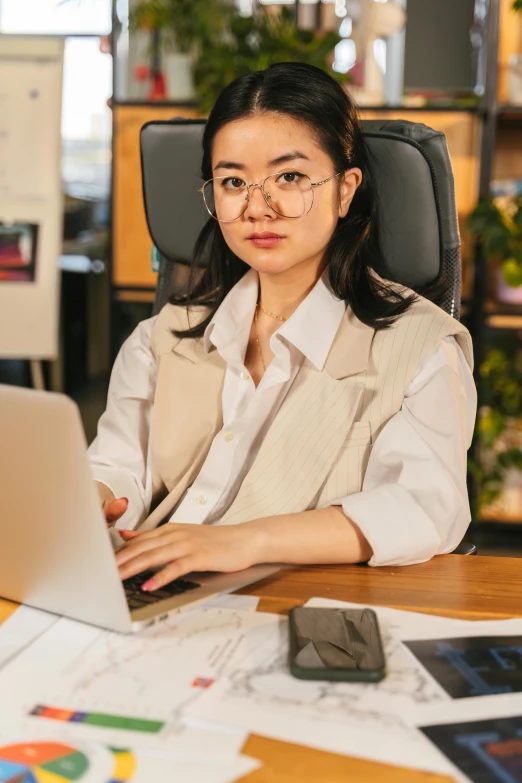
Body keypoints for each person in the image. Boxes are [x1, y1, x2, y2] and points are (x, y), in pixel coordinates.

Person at [89, 62, 476, 592]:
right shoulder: (161, 339)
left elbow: (426, 507)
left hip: (298, 603)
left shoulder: (421, 348)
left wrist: (243, 540)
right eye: (233, 182)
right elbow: (116, 466)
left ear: (345, 190)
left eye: (289, 177)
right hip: (149, 591)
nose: (257, 208)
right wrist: (94, 494)